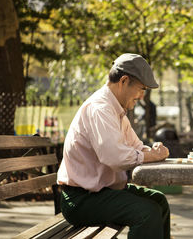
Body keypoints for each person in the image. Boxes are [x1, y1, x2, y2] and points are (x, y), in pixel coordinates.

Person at [57, 53, 170, 239]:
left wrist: (154, 151)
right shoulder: (100, 108)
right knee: (147, 213)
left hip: (103, 192)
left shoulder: (116, 109)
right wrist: (151, 156)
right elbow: (114, 157)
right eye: (142, 89)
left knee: (159, 201)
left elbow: (136, 147)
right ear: (124, 81)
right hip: (81, 200)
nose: (142, 96)